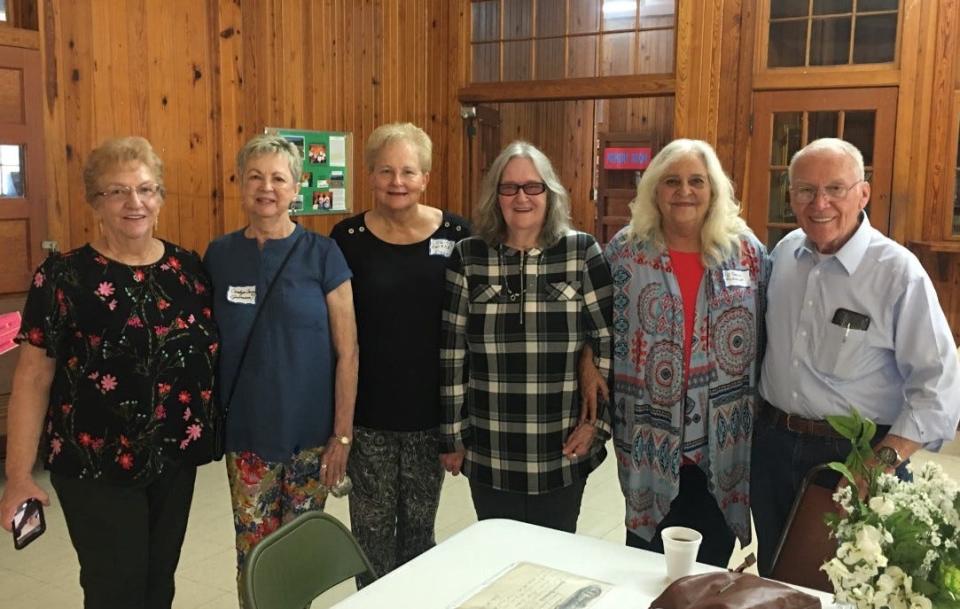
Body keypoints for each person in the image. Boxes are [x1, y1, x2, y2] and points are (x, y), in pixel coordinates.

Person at [0, 136, 221, 609]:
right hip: (93, 462)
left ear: (160, 197)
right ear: (94, 202)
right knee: (114, 589)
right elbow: (33, 379)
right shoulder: (62, 276)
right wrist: (18, 475)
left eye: (146, 189)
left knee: (159, 581)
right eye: (116, 191)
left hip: (173, 457)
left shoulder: (188, 269)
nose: (134, 202)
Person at [751, 137, 960, 575]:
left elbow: (938, 388)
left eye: (836, 189)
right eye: (806, 190)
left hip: (854, 456)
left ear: (863, 193)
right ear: (791, 196)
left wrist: (875, 466)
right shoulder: (785, 254)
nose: (819, 202)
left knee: (849, 585)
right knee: (777, 577)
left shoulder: (897, 273)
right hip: (771, 446)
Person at [600, 138, 767, 568]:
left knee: (709, 560)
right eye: (672, 181)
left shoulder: (747, 253)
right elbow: (594, 328)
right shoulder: (624, 252)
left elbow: (771, 329)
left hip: (723, 438)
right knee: (647, 563)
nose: (684, 191)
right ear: (654, 189)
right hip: (649, 435)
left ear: (714, 190)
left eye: (697, 181)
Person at [203, 134, 359, 594]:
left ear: (296, 187)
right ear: (241, 184)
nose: (266, 187)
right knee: (253, 556)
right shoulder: (220, 255)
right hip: (248, 435)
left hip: (312, 437)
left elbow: (347, 351)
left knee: (299, 557)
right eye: (255, 177)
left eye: (278, 178)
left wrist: (342, 436)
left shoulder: (323, 254)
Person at [439, 140, 613, 533]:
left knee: (554, 561)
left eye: (533, 187)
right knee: (496, 556)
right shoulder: (468, 257)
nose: (521, 197)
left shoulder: (582, 252)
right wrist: (452, 436)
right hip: (489, 446)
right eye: (509, 187)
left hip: (562, 446)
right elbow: (452, 354)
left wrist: (596, 427)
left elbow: (605, 343)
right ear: (495, 196)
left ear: (549, 194)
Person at [330, 122, 470, 579]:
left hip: (431, 420)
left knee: (418, 538)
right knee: (369, 541)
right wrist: (340, 427)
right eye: (386, 170)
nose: (397, 182)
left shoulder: (457, 235)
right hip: (368, 418)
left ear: (425, 177)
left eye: (408, 171)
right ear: (370, 175)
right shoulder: (346, 240)